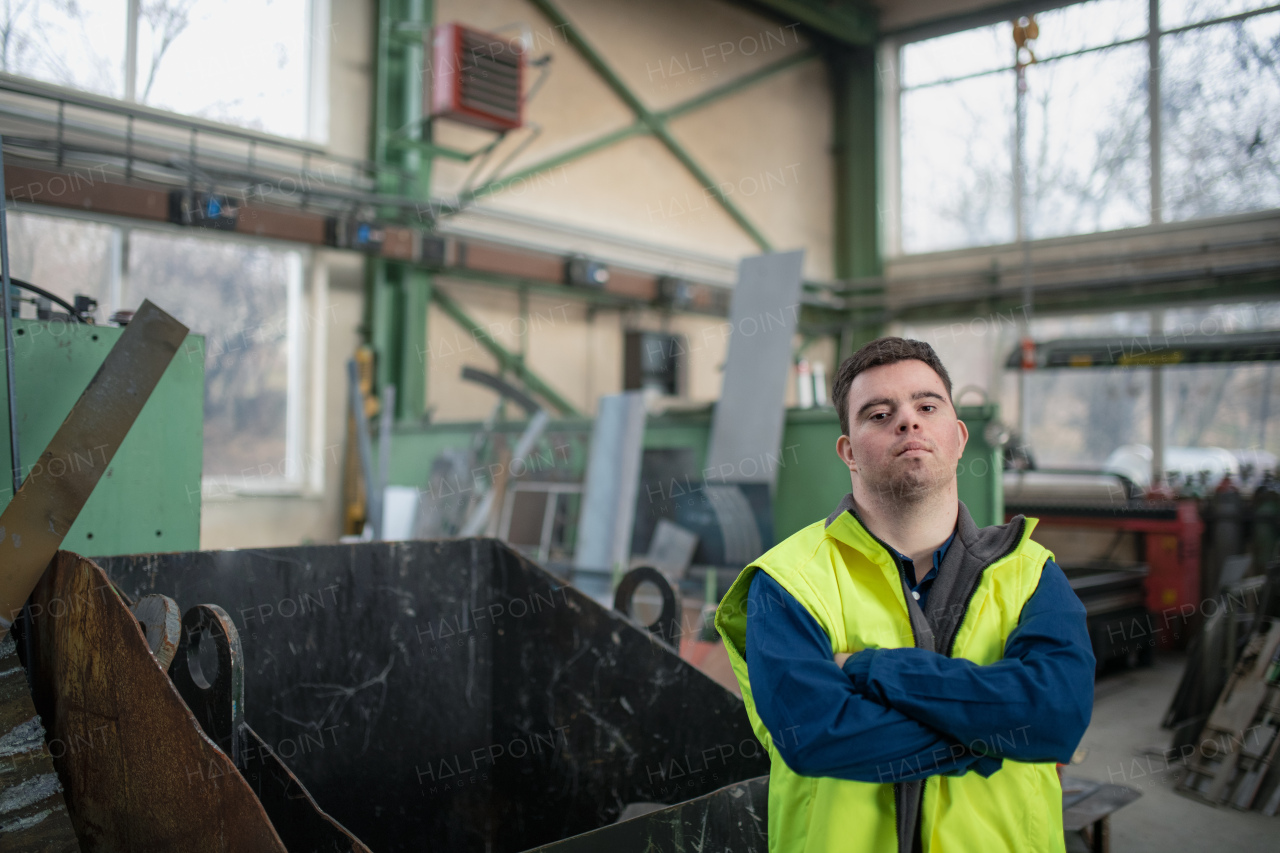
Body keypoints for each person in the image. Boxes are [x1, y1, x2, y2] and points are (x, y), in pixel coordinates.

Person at [715, 337, 1094, 853]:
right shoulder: (786, 582)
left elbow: (1057, 715)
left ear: (959, 438)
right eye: (878, 413)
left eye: (927, 406)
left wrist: (874, 670)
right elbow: (817, 736)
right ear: (849, 452)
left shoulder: (1030, 573)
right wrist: (996, 734)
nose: (908, 421)